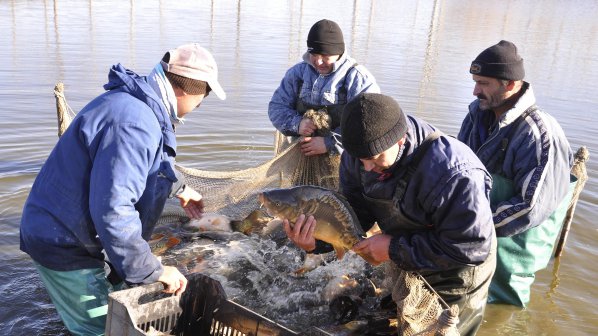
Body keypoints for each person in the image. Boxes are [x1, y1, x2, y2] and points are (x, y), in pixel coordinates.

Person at [20, 43, 226, 335]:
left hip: (75, 231)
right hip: (63, 242)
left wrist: (179, 188)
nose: (201, 105)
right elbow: (113, 210)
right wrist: (152, 270)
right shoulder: (135, 122)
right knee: (101, 329)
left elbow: (142, 166)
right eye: (204, 97)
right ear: (189, 90)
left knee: (122, 300)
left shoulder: (138, 104)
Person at [284, 93, 497, 335]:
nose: (366, 168)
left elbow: (471, 248)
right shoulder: (358, 154)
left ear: (400, 141)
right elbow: (355, 215)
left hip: (457, 267)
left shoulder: (454, 173)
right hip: (408, 251)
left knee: (439, 329)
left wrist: (393, 248)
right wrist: (316, 242)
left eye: (374, 159)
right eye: (361, 160)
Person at [458, 40, 574, 307]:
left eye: (484, 83)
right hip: (480, 223)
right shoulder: (477, 113)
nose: (475, 91)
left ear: (509, 84)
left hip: (519, 238)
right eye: (475, 81)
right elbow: (459, 165)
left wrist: (470, 228)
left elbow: (531, 208)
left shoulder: (540, 134)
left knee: (501, 304)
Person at [268, 18, 380, 158]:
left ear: (338, 52)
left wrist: (329, 143)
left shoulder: (358, 78)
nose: (319, 62)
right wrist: (297, 124)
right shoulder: (297, 74)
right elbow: (276, 108)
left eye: (325, 56)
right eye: (314, 55)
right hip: (302, 153)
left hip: (343, 158)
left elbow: (368, 123)